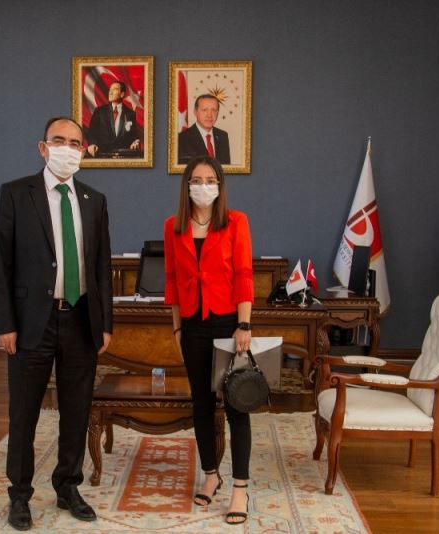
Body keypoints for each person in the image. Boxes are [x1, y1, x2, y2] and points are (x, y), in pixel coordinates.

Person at [0, 117, 113, 531]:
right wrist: (5, 322)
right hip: (30, 323)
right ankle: (19, 495)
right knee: (24, 413)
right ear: (42, 148)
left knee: (76, 411)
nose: (67, 148)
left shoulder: (95, 200)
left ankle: (68, 487)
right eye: (58, 141)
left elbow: (101, 267)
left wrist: (105, 323)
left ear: (84, 150)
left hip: (81, 319)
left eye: (75, 143)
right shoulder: (15, 194)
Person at [163, 155, 253, 525]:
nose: (204, 186)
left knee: (236, 405)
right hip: (192, 326)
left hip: (228, 324)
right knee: (201, 404)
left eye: (210, 180)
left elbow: (244, 274)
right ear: (187, 186)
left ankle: (240, 488)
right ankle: (210, 474)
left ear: (219, 185)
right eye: (197, 180)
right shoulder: (173, 226)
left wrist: (244, 325)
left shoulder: (236, 221)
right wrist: (177, 328)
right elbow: (171, 280)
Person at [85, 81, 141, 157]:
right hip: (102, 155)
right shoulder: (99, 111)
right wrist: (92, 144)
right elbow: (91, 132)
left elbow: (133, 135)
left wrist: (135, 141)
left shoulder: (130, 113)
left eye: (114, 89)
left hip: (123, 156)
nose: (110, 92)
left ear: (122, 94)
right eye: (110, 90)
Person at [177, 94, 231, 164]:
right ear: (195, 112)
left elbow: (225, 167)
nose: (209, 115)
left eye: (214, 110)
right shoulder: (182, 138)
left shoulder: (222, 136)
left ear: (217, 113)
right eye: (204, 110)